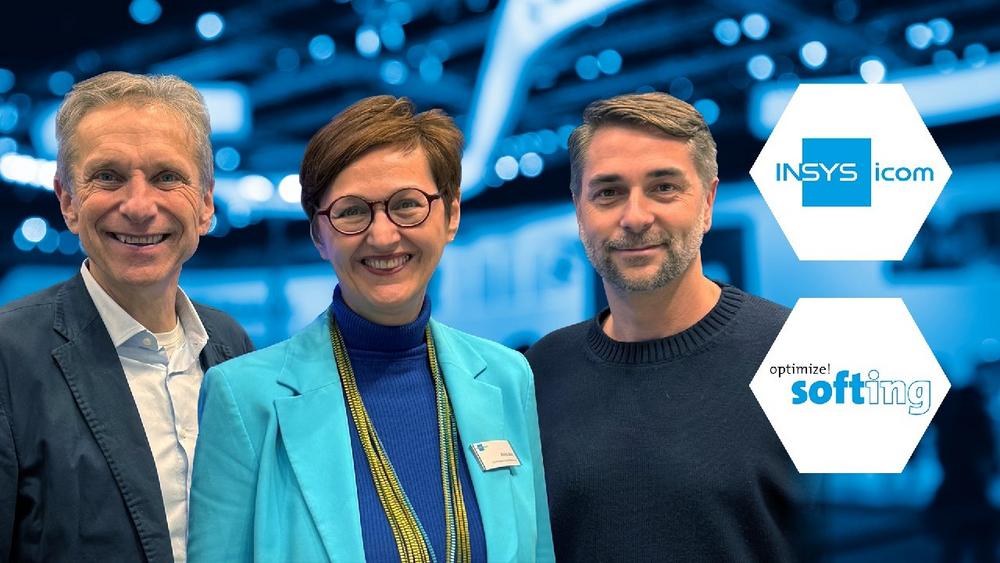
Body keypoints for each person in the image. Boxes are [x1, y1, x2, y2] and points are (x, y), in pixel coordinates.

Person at [188, 95, 554, 563]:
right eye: (352, 212)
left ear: (451, 216)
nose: (382, 236)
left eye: (407, 204)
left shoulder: (506, 378)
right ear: (319, 236)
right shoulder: (244, 399)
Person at [525, 92, 803, 561]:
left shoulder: (801, 356)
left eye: (664, 187)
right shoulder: (541, 371)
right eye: (608, 192)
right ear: (579, 210)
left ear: (708, 201)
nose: (635, 217)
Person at [0, 71, 254, 563]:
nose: (139, 207)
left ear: (205, 203)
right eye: (108, 177)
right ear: (68, 201)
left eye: (167, 177)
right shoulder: (9, 357)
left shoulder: (230, 346)